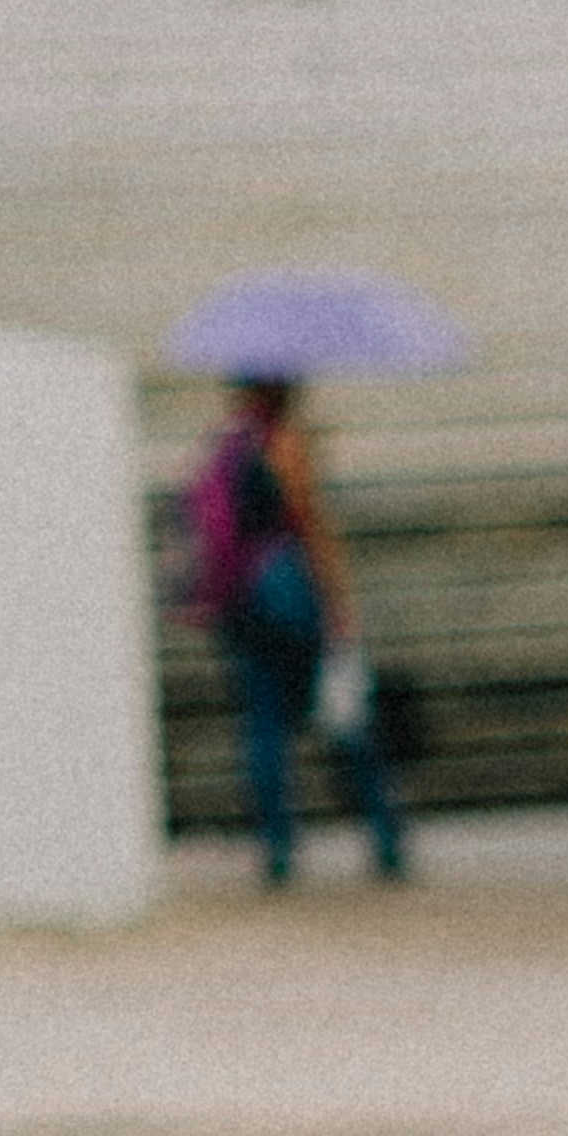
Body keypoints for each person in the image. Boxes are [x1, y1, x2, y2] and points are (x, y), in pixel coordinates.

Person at [180, 373, 409, 887]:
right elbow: (310, 527)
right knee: (345, 716)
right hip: (289, 597)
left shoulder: (224, 446)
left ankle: (278, 848)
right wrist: (338, 603)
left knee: (263, 726)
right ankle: (385, 835)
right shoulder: (285, 443)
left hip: (240, 603)